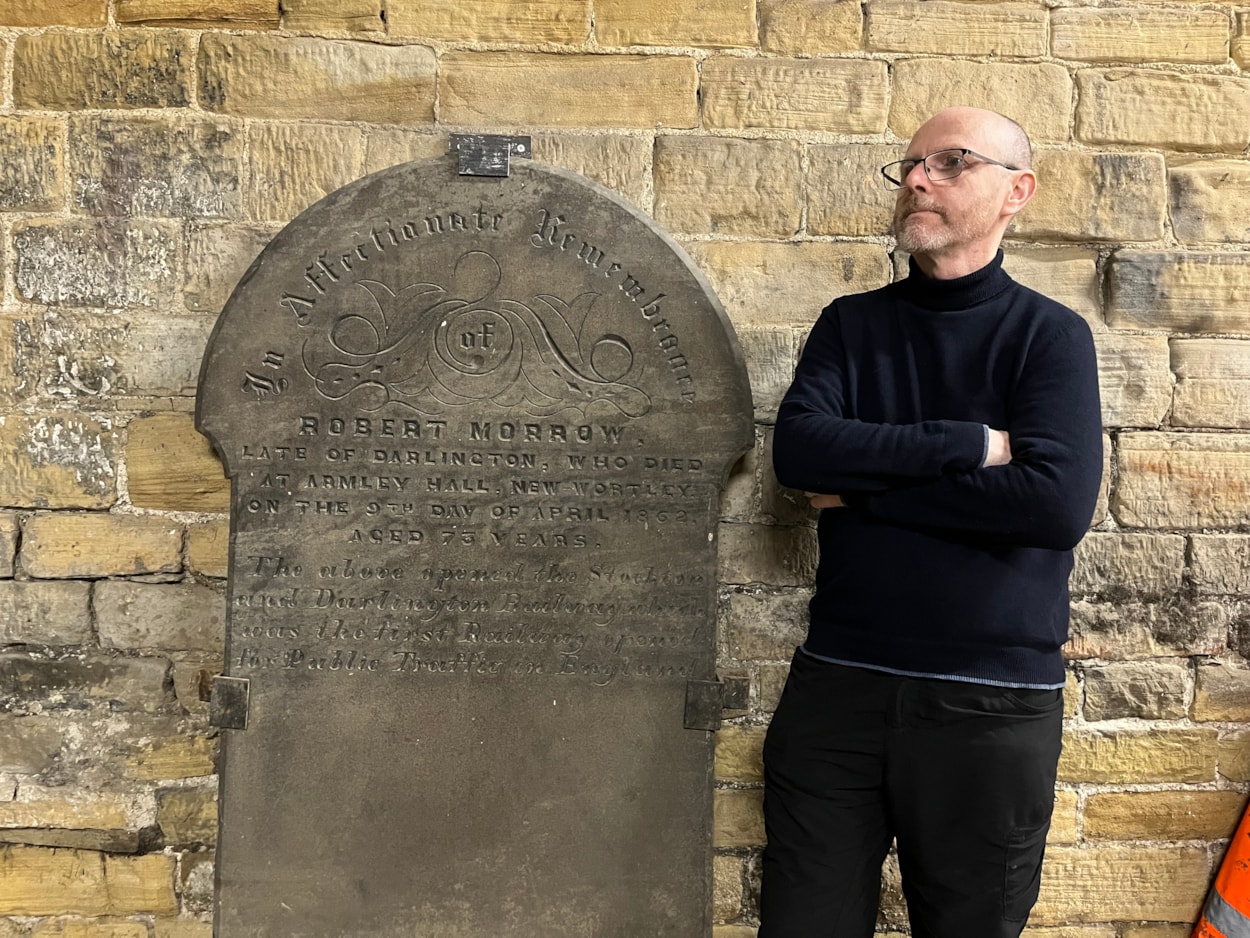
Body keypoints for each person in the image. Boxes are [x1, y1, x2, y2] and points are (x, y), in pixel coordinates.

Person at [762, 106, 1103, 937]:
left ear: (1016, 192)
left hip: (991, 706)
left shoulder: (1050, 338)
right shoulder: (851, 325)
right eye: (911, 165)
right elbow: (801, 455)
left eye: (951, 162)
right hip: (836, 689)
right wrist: (969, 445)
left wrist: (866, 492)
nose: (918, 179)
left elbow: (1052, 506)